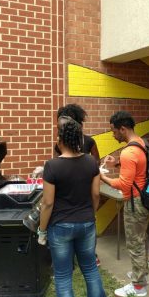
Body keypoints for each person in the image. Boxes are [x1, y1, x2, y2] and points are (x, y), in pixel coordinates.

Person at [37, 116, 109, 297]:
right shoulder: (91, 162)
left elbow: (48, 203)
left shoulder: (52, 166)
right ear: (79, 140)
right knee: (91, 270)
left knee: (63, 276)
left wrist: (42, 231)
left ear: (60, 140)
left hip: (60, 226)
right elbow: (95, 195)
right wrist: (90, 215)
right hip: (86, 223)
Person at [100, 111, 149, 297]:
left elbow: (123, 184)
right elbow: (137, 166)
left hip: (134, 202)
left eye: (114, 131)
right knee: (140, 239)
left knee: (134, 244)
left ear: (123, 128)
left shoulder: (128, 152)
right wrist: (117, 163)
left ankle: (138, 287)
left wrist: (102, 176)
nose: (113, 135)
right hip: (144, 200)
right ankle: (142, 274)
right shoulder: (140, 143)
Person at [56, 103, 101, 266]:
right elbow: (96, 162)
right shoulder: (86, 142)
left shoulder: (88, 141)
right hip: (85, 188)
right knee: (86, 221)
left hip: (69, 189)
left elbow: (58, 162)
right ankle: (90, 256)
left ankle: (79, 256)